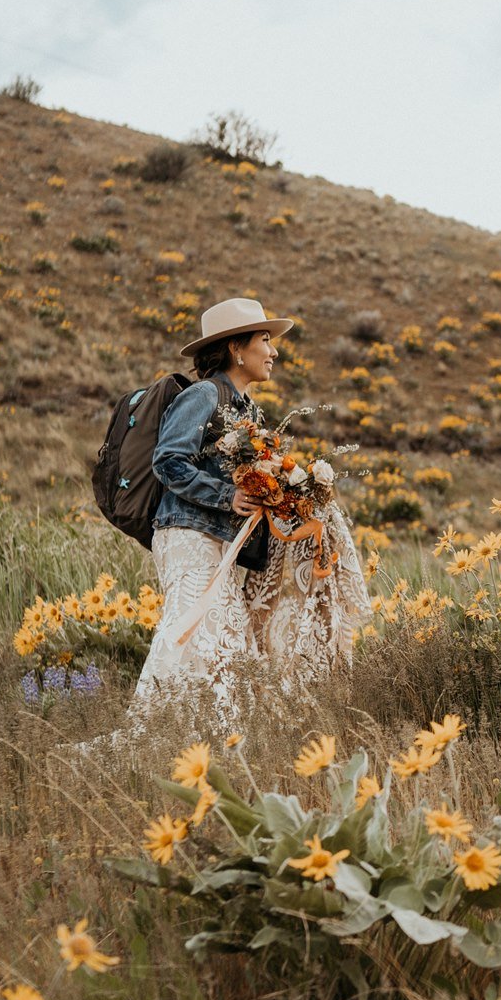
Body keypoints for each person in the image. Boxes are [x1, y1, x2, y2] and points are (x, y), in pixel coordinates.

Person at [131, 297, 370, 726]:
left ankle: (203, 735)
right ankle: (150, 730)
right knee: (194, 632)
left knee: (224, 643)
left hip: (218, 542)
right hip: (187, 536)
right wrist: (228, 497)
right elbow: (168, 460)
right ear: (235, 349)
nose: (274, 351)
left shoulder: (249, 411)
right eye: (265, 340)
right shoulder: (204, 395)